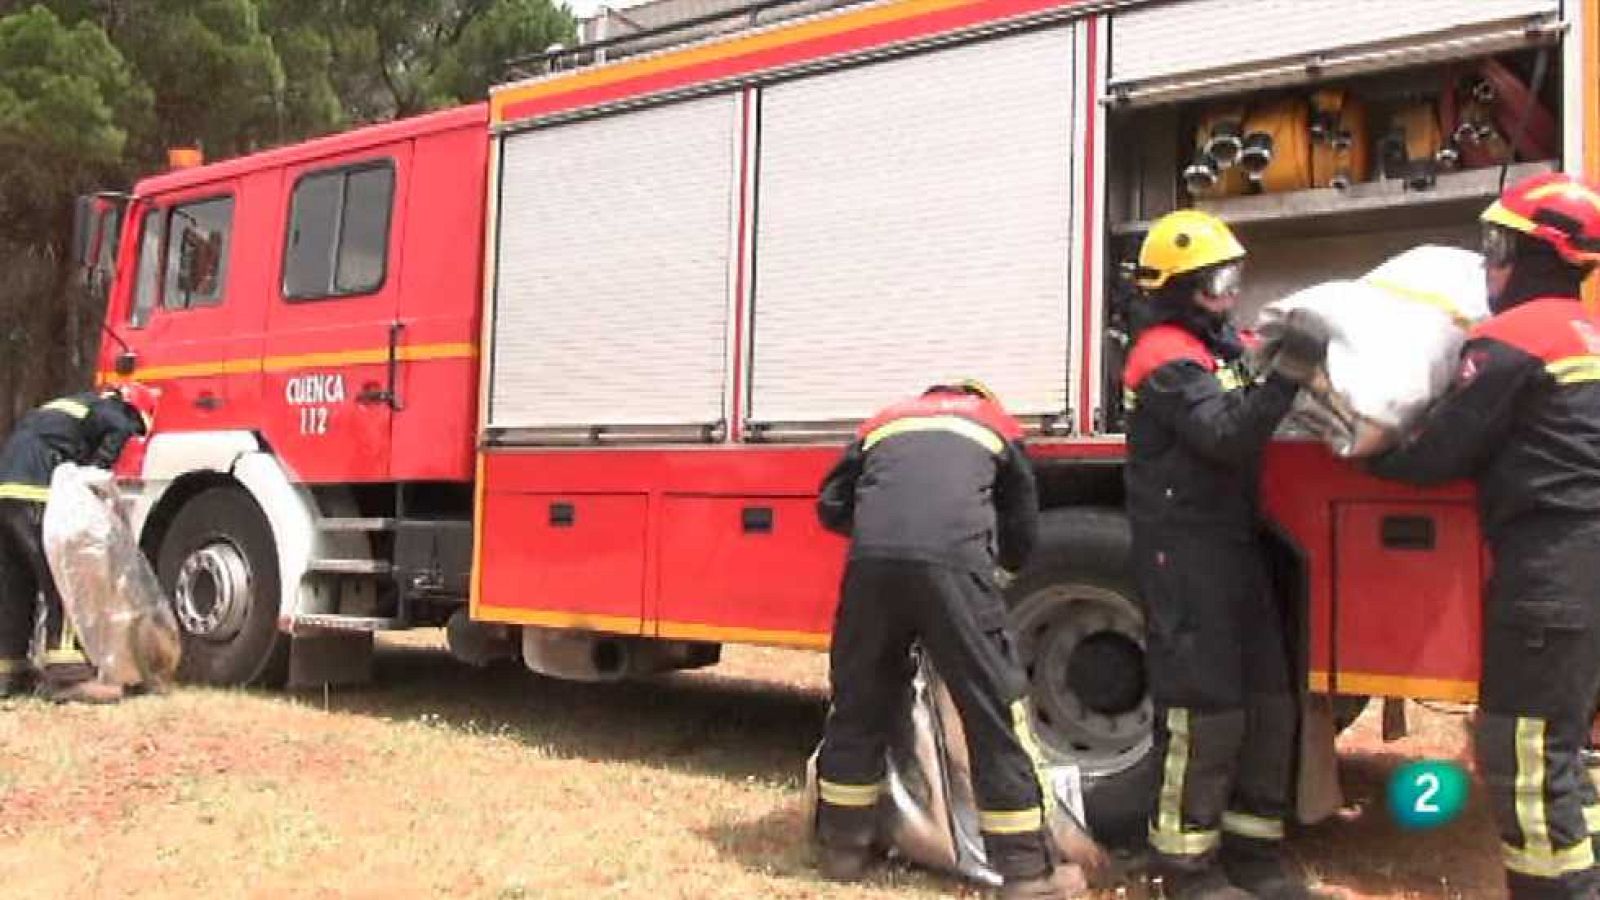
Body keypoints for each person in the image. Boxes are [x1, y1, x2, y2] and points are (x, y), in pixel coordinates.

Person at [1367, 171, 1600, 900]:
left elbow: (1442, 451)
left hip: (1548, 571)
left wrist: (1370, 446)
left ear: (1538, 256)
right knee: (1567, 751)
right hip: (1586, 571)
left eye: (1499, 245)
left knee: (1523, 755)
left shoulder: (1510, 340)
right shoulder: (1587, 334)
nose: (1490, 264)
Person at [1123, 210, 1330, 900]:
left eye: (1232, 277)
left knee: (1270, 701)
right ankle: (1184, 867)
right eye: (1214, 280)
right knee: (1204, 711)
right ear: (1176, 287)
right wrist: (1288, 372)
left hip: (1235, 545)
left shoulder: (1218, 347)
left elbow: (1248, 379)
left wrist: (1289, 349)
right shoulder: (1162, 354)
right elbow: (1225, 435)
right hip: (1183, 555)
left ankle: (1255, 854)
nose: (1227, 292)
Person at [811, 380, 1070, 899]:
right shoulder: (996, 423)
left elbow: (831, 503)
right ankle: (1026, 874)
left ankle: (842, 848)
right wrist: (1004, 562)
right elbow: (1022, 520)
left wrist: (888, 535)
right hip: (956, 569)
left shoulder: (885, 418)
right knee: (990, 711)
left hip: (872, 568)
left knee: (859, 700)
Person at [0, 385, 152, 703]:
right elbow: (105, 453)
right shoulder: (115, 412)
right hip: (36, 490)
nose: (132, 433)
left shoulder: (67, 405)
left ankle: (8, 671)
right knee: (65, 576)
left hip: (7, 490)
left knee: (16, 584)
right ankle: (66, 677)